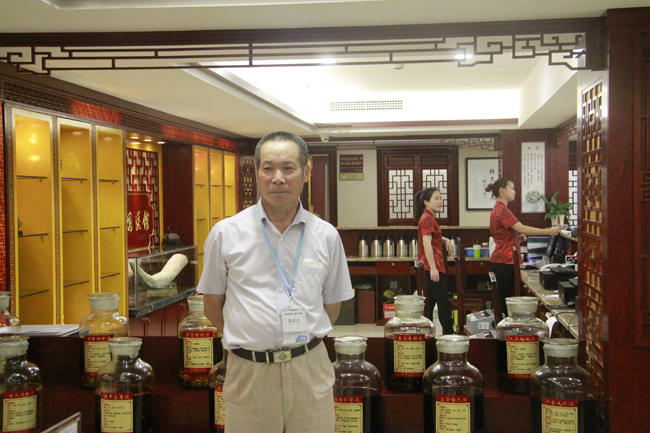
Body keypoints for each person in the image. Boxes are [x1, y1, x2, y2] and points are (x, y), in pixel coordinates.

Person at [198, 131, 354, 433]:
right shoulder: (226, 234)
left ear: (305, 173)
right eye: (268, 168)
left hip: (309, 368)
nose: (278, 178)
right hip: (249, 372)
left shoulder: (326, 236)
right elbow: (212, 305)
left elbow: (332, 307)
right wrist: (252, 337)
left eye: (288, 168)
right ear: (256, 173)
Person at [486, 178, 560, 314]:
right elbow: (522, 228)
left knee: (502, 302)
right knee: (503, 304)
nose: (514, 192)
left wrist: (516, 237)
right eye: (511, 188)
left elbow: (503, 235)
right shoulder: (503, 210)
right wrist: (548, 231)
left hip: (502, 260)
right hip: (505, 261)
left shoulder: (499, 208)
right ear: (502, 191)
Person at [414, 187, 455, 335]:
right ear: (426, 202)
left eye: (440, 198)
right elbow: (427, 244)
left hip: (432, 266)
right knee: (443, 302)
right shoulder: (427, 218)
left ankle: (428, 335)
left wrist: (446, 240)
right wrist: (433, 268)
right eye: (436, 199)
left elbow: (434, 236)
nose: (440, 201)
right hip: (431, 267)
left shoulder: (428, 217)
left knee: (430, 304)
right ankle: (449, 335)